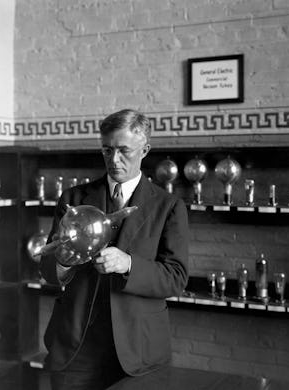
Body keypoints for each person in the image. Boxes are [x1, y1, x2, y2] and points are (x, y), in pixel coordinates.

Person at [40, 109, 189, 390]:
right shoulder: (72, 199)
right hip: (76, 347)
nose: (114, 160)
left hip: (138, 351)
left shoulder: (168, 206)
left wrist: (128, 264)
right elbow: (48, 272)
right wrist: (62, 261)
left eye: (124, 151)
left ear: (144, 150)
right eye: (107, 150)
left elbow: (177, 278)